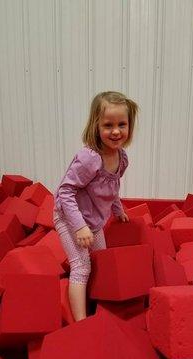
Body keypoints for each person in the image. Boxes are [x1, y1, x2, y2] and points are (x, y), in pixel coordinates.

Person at [53, 91, 139, 321]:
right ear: (96, 126)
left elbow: (113, 187)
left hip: (94, 220)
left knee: (101, 261)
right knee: (82, 266)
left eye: (122, 124)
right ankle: (82, 323)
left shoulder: (122, 158)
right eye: (108, 125)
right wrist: (79, 227)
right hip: (70, 216)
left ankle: (98, 309)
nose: (116, 131)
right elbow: (65, 192)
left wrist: (117, 209)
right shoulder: (90, 158)